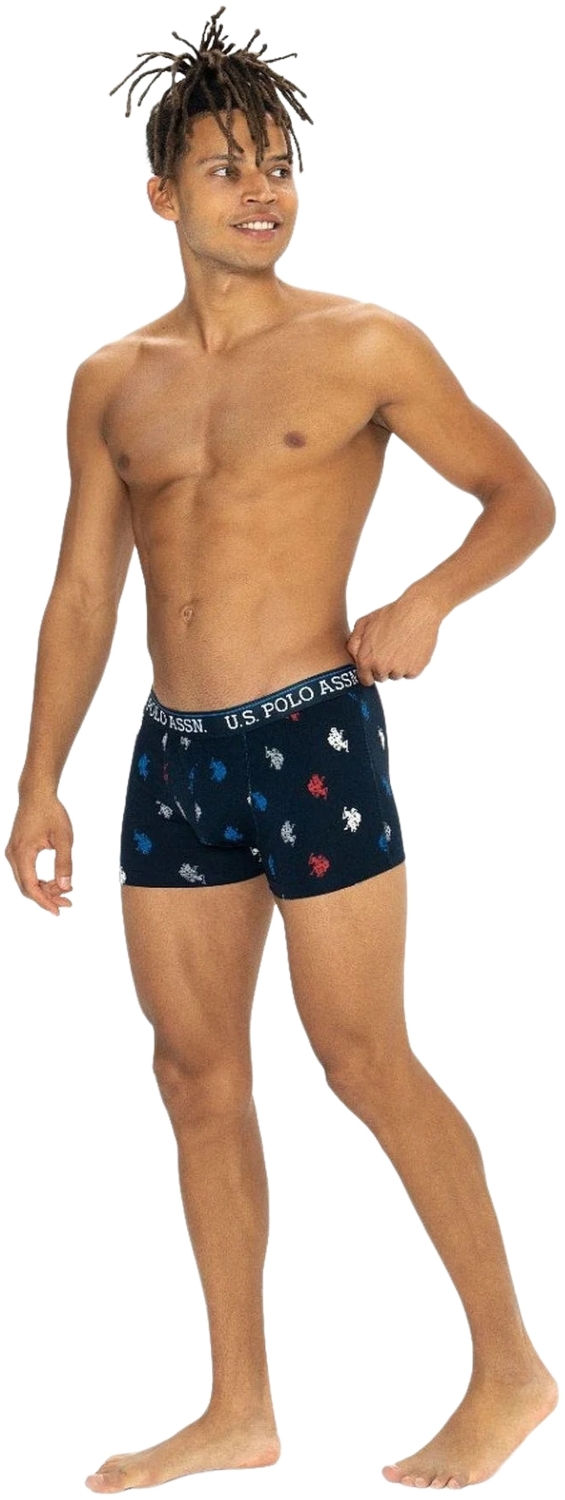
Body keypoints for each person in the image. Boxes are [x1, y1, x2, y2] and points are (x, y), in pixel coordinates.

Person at [4, 6, 558, 1493]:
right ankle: (238, 1410)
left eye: (277, 163)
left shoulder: (363, 344)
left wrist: (427, 602)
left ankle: (510, 1367)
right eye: (225, 167)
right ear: (160, 194)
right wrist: (39, 778)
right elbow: (81, 588)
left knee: (363, 1056)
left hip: (312, 732)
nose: (260, 189)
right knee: (193, 1073)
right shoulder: (110, 379)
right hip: (171, 756)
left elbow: (520, 496)